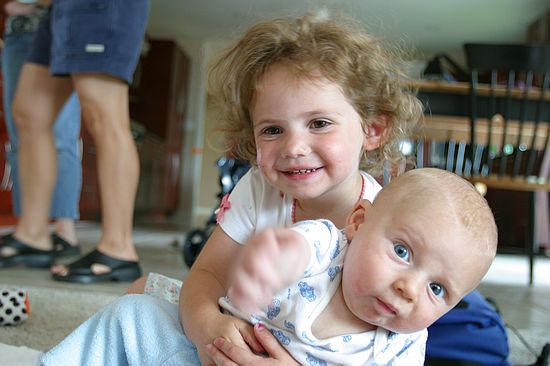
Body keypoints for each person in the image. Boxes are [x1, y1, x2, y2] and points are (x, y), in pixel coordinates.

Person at [39, 12, 424, 365]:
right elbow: (206, 274)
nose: (293, 147)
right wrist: (207, 326)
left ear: (372, 130)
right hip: (234, 337)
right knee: (139, 299)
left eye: (320, 123)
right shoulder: (259, 188)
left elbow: (396, 335)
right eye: (272, 129)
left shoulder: (388, 219)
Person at [0, 0, 150, 283]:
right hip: (60, 8)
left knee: (103, 113)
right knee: (30, 111)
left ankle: (118, 249)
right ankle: (33, 236)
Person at [0, 0, 81, 266]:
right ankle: (29, 231)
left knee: (61, 134)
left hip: (63, 29)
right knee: (20, 136)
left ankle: (65, 230)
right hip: (17, 33)